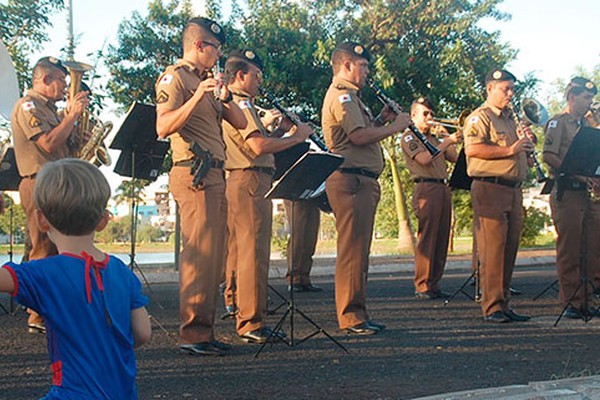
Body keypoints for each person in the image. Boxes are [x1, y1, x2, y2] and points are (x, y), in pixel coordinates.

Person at [0, 158, 151, 399]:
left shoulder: (42, 274)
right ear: (103, 221)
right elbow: (143, 333)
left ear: (41, 220)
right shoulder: (123, 272)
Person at [155, 17, 246, 356]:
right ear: (198, 46)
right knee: (199, 255)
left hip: (216, 175)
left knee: (215, 258)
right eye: (216, 48)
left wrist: (223, 96)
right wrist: (196, 98)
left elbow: (238, 122)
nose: (219, 55)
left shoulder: (206, 81)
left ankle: (204, 331)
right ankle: (193, 334)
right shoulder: (174, 78)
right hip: (194, 173)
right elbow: (163, 126)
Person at [222, 49, 312, 343]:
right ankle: (251, 322)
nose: (260, 81)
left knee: (242, 250)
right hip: (250, 179)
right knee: (253, 253)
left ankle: (239, 306)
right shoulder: (242, 104)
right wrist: (296, 137)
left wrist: (274, 127)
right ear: (240, 76)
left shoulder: (241, 105)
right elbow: (258, 146)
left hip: (244, 179)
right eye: (256, 76)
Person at [321, 42, 411, 335]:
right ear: (347, 66)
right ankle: (350, 316)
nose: (368, 71)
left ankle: (358, 312)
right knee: (352, 251)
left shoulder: (352, 98)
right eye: (363, 65)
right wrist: (395, 127)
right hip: (351, 179)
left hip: (359, 179)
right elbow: (358, 137)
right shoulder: (343, 96)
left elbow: (361, 130)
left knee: (359, 251)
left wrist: (381, 121)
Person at [11, 56, 90, 333]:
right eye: (62, 81)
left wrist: (77, 124)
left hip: (57, 180)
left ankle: (51, 309)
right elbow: (47, 144)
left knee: (59, 248)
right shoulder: (27, 106)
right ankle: (36, 314)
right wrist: (70, 116)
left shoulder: (51, 110)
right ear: (45, 80)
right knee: (43, 248)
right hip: (39, 181)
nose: (66, 88)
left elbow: (69, 144)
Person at [463, 68, 534, 323]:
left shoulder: (510, 119)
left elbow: (517, 150)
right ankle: (492, 305)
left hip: (513, 189)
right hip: (490, 187)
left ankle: (504, 302)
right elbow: (472, 149)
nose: (511, 94)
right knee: (492, 249)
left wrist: (526, 144)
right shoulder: (479, 118)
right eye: (506, 89)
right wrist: (511, 149)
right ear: (490, 89)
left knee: (509, 248)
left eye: (513, 89)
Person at [542, 77, 600, 320]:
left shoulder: (586, 126)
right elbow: (549, 155)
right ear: (572, 97)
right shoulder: (558, 122)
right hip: (567, 190)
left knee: (590, 247)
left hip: (585, 192)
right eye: (586, 98)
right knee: (570, 248)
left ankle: (587, 297)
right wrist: (576, 172)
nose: (589, 103)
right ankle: (571, 300)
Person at [401, 97, 459, 299]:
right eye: (425, 114)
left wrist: (446, 136)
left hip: (443, 187)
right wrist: (446, 142)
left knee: (442, 236)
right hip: (426, 187)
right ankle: (422, 283)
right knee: (428, 237)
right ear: (413, 115)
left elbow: (454, 157)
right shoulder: (410, 137)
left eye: (431, 114)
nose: (430, 118)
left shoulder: (435, 139)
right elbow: (425, 159)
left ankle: (434, 282)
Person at [284, 199, 322, 292]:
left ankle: (305, 277)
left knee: (310, 237)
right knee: (298, 236)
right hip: (295, 195)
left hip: (312, 197)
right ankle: (294, 278)